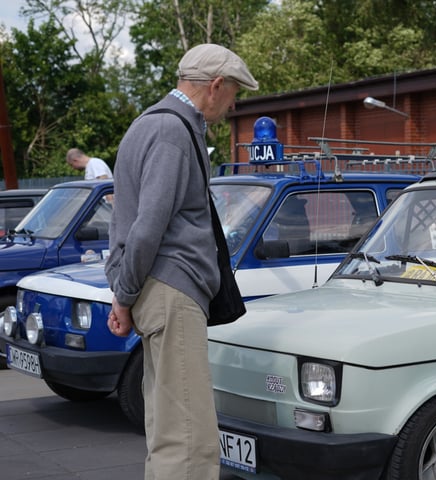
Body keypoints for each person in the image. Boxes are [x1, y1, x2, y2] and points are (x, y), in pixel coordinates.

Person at [104, 44, 258, 480]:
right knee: (189, 435)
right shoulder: (174, 132)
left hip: (157, 288)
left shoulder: (149, 124)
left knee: (168, 426)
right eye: (233, 94)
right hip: (172, 289)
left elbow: (133, 221)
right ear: (214, 86)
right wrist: (124, 296)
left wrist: (127, 293)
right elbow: (148, 227)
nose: (233, 105)